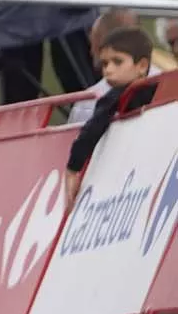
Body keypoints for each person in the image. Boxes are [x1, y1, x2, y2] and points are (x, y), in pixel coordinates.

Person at [63, 26, 155, 207]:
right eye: (105, 64)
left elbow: (91, 130)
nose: (109, 70)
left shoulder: (115, 97)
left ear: (142, 66)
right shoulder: (160, 87)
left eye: (117, 62)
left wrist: (73, 168)